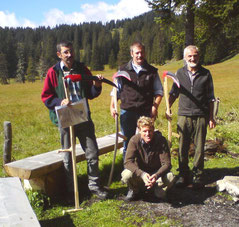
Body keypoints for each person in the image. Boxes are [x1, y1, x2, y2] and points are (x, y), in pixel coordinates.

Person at [41, 41, 108, 201]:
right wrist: (60, 102)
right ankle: (72, 190)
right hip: (65, 118)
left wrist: (97, 85)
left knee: (92, 152)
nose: (69, 55)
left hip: (83, 116)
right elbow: (46, 97)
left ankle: (94, 186)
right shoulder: (53, 72)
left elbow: (91, 93)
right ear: (59, 54)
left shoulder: (81, 69)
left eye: (71, 51)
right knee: (68, 156)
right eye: (65, 52)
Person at [168, 45, 216, 189]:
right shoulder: (179, 73)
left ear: (198, 56)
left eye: (195, 56)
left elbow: (210, 98)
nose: (192, 58)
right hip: (183, 115)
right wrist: (167, 107)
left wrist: (211, 117)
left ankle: (198, 175)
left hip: (201, 115)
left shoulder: (206, 74)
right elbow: (173, 93)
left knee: (199, 147)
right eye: (189, 56)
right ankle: (183, 174)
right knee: (182, 147)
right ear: (185, 58)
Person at [110, 42, 164, 160]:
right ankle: (128, 171)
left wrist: (155, 107)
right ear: (131, 54)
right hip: (127, 111)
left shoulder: (152, 71)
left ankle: (144, 169)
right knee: (128, 142)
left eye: (142, 52)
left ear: (145, 53)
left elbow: (159, 91)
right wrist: (112, 106)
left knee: (146, 140)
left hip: (145, 111)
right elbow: (115, 91)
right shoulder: (123, 70)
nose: (140, 55)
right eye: (137, 53)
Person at [121, 116, 175, 201]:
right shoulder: (134, 140)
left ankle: (157, 189)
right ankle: (134, 190)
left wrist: (156, 175)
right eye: (144, 131)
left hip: (156, 173)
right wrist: (142, 174)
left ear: (153, 130)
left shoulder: (161, 140)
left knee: (170, 177)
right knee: (126, 174)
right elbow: (127, 162)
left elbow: (167, 164)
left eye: (150, 131)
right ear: (139, 131)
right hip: (141, 173)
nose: (147, 134)